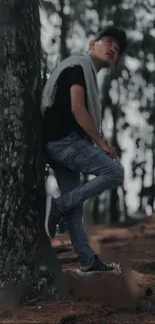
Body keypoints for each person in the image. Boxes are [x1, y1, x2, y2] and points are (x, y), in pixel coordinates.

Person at [41, 26, 128, 275]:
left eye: (117, 48)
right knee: (115, 172)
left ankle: (87, 261)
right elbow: (78, 108)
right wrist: (102, 144)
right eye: (108, 42)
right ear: (92, 43)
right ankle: (58, 205)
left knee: (74, 206)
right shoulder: (78, 66)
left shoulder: (82, 70)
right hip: (64, 142)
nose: (112, 48)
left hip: (58, 145)